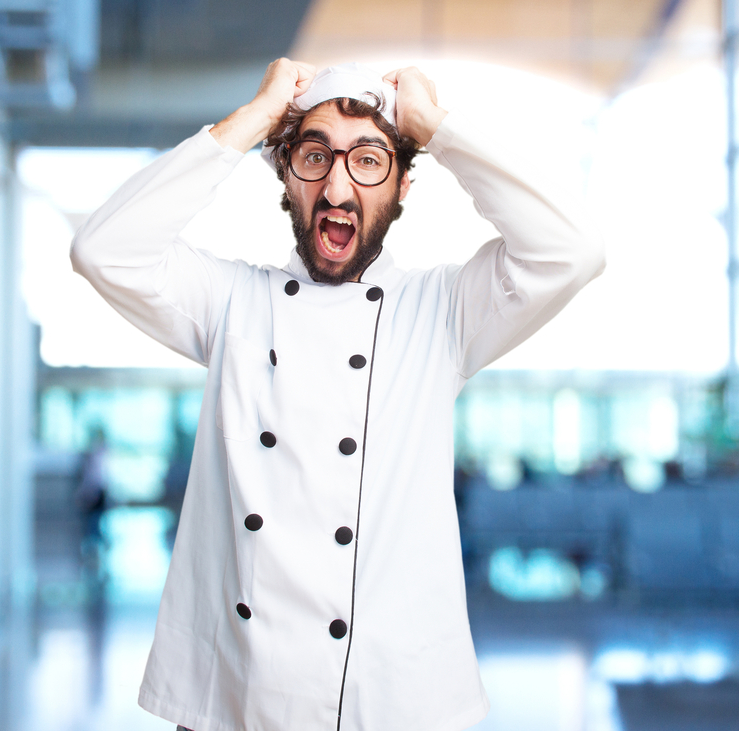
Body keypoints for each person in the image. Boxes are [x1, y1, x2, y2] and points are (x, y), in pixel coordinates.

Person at [70, 59, 604, 731]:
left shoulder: (442, 312)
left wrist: (438, 130)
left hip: (389, 703)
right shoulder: (230, 301)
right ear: (283, 175)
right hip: (238, 700)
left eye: (370, 160)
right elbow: (103, 250)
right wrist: (254, 119)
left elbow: (572, 252)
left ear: (404, 184)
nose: (337, 184)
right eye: (314, 156)